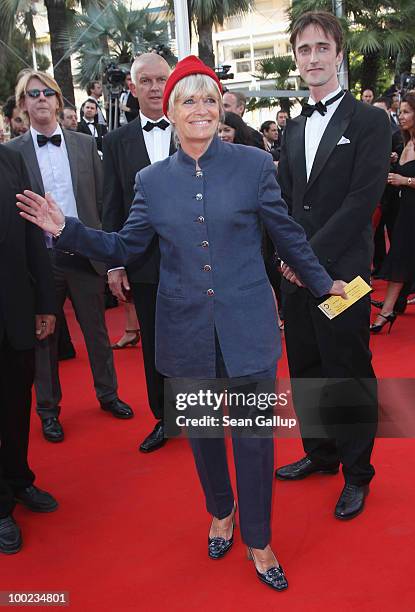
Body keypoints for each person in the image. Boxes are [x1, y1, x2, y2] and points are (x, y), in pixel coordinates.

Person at [17, 54, 347, 591]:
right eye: (188, 99)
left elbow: (285, 233)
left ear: (221, 110)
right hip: (183, 325)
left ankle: (259, 539)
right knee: (201, 432)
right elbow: (127, 245)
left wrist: (322, 282)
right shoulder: (150, 180)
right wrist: (68, 228)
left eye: (210, 99)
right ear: (169, 110)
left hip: (246, 324)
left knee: (253, 436)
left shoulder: (253, 164)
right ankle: (221, 511)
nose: (200, 108)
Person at [276, 11, 391, 520]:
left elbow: (361, 199)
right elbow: (282, 200)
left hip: (346, 274)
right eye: (305, 50)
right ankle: (320, 453)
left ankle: (357, 474)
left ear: (339, 54)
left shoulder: (369, 121)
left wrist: (308, 259)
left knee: (347, 372)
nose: (314, 58)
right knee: (305, 368)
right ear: (296, 59)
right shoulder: (294, 125)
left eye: (323, 48)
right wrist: (286, 258)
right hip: (296, 275)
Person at [7, 70, 133, 443]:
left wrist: (110, 258)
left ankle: (108, 394)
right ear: (23, 104)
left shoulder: (83, 144)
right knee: (44, 337)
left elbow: (101, 203)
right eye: (33, 94)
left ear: (59, 101)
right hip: (40, 260)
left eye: (48, 93)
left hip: (84, 253)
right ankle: (48, 410)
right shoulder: (12, 153)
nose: (41, 99)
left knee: (96, 331)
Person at [102, 53, 173, 453]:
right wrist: (115, 262)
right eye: (145, 81)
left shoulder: (192, 128)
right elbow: (112, 205)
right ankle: (165, 417)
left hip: (197, 258)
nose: (154, 88)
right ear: (132, 88)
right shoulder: (116, 142)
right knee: (156, 344)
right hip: (144, 262)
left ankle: (206, 412)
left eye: (161, 79)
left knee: (202, 337)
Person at [0, 145, 58, 555]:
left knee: (17, 403)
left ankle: (19, 480)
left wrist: (45, 303)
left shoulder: (9, 159)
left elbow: (31, 228)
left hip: (15, 308)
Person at [370, 92, 415, 332]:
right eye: (401, 111)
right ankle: (389, 310)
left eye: (407, 111)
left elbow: (407, 178)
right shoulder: (404, 140)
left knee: (400, 259)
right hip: (404, 212)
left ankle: (388, 311)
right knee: (399, 259)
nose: (401, 116)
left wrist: (404, 179)